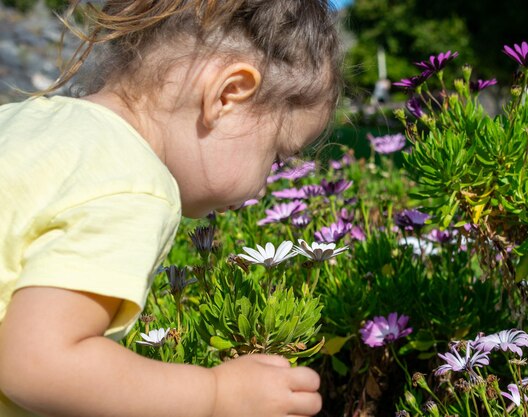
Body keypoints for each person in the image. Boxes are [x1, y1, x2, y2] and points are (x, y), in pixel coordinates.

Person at [0, 1, 343, 416]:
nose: (264, 186)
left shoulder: (24, 121)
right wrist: (216, 396)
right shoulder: (131, 183)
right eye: (277, 155)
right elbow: (40, 364)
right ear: (228, 94)